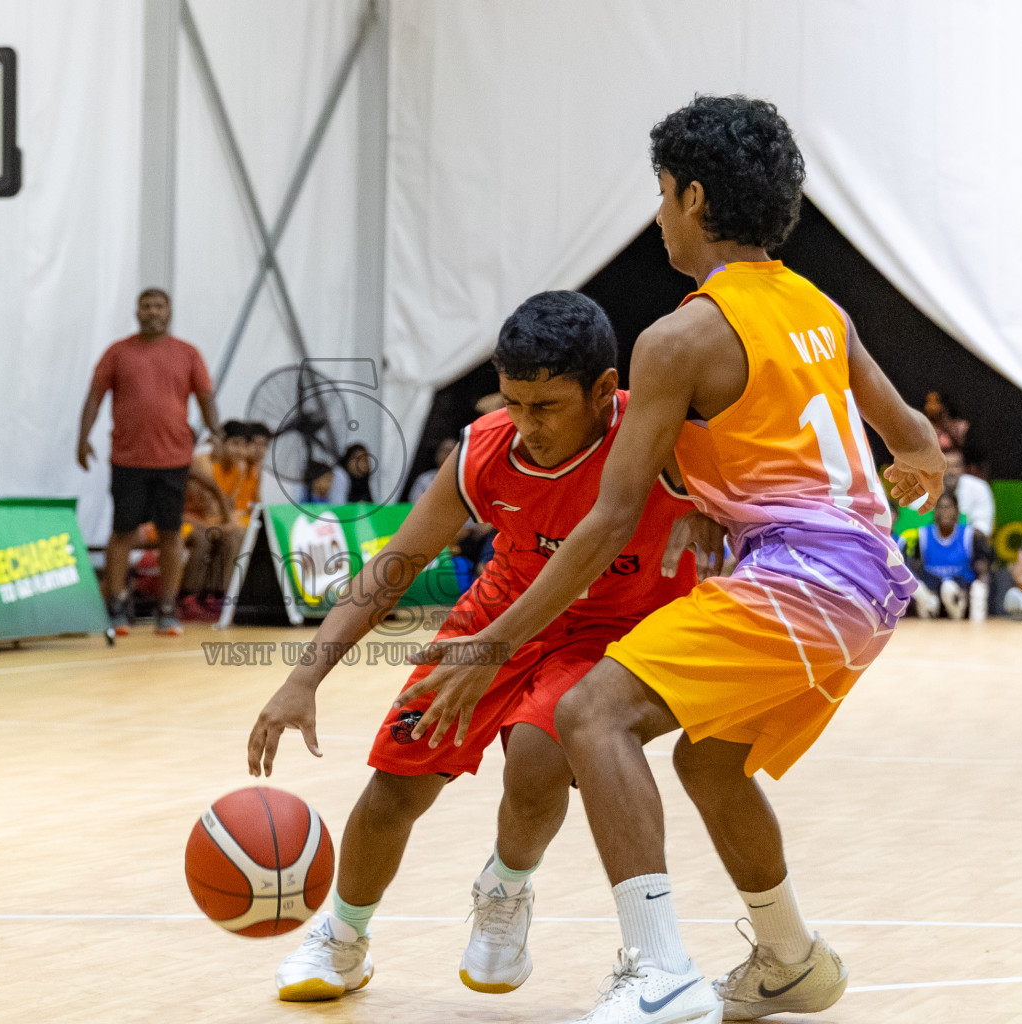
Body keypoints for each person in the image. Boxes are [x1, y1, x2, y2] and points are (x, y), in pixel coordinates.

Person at [401, 96, 944, 1024]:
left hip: (802, 582)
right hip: (868, 585)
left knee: (592, 712)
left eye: (661, 193)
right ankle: (790, 959)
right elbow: (917, 441)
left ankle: (660, 971)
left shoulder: (680, 337)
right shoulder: (819, 307)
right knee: (710, 761)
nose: (657, 215)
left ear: (694, 197)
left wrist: (493, 643)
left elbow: (609, 522)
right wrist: (906, 475)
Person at [248, 290, 720, 1003]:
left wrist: (716, 514)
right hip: (494, 619)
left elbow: (768, 492)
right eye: (514, 403)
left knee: (538, 756)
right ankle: (342, 937)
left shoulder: (662, 436)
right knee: (395, 783)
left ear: (603, 390)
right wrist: (303, 679)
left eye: (546, 407)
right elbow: (395, 564)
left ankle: (505, 887)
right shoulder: (484, 450)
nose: (526, 425)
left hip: (609, 632)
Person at [78, 288, 220, 637]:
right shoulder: (117, 352)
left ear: (168, 312)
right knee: (122, 532)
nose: (153, 311)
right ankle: (117, 605)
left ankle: (167, 609)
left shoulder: (188, 354)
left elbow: (206, 398)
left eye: (159, 306)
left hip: (173, 460)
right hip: (128, 459)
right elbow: (94, 396)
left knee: (171, 533)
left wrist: (216, 433)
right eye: (147, 306)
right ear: (137, 311)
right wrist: (82, 439)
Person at [178, 423, 251, 621]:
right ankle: (188, 596)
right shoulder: (203, 463)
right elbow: (209, 508)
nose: (240, 451)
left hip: (211, 521)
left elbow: (229, 507)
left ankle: (217, 594)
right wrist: (228, 522)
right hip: (189, 519)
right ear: (221, 443)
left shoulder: (240, 467)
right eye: (235, 444)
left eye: (243, 445)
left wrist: (229, 521)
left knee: (238, 534)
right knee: (217, 534)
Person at [901, 492, 991, 620]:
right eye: (941, 507)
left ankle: (962, 620)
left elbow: (982, 570)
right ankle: (928, 617)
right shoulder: (923, 535)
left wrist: (978, 589)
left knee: (949, 588)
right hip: (932, 595)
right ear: (935, 511)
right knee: (916, 587)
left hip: (959, 594)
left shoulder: (970, 536)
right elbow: (914, 571)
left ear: (957, 511)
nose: (944, 512)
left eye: (948, 507)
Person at [943, 448, 994, 537]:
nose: (951, 471)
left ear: (963, 468)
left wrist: (954, 540)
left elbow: (983, 528)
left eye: (955, 466)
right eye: (946, 467)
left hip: (969, 543)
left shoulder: (979, 487)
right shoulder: (924, 488)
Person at [407, 438, 457, 502]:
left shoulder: (459, 482)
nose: (446, 454)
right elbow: (414, 502)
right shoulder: (425, 479)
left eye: (450, 451)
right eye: (443, 450)